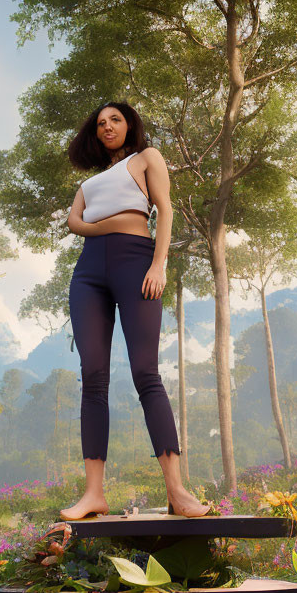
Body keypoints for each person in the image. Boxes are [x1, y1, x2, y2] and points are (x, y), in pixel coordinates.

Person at [59, 101, 210, 521]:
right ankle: (93, 495)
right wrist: (104, 225)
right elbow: (75, 224)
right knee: (93, 377)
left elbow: (165, 208)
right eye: (101, 123)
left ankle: (177, 492)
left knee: (146, 373)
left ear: (130, 125)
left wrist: (159, 263)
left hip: (136, 262)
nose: (107, 126)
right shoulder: (88, 185)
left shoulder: (148, 158)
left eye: (116, 120)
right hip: (88, 273)